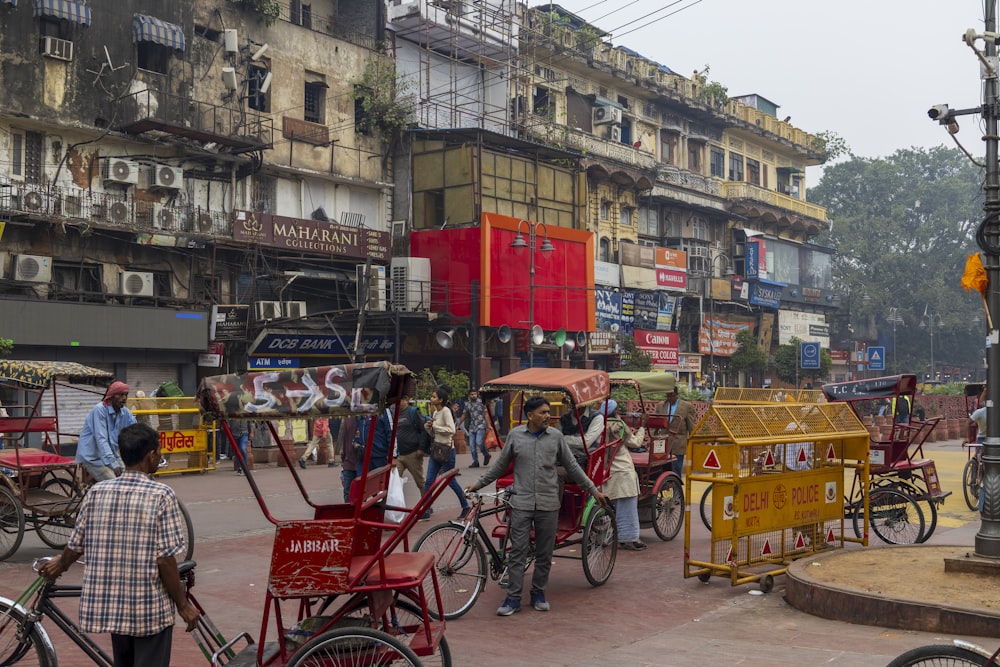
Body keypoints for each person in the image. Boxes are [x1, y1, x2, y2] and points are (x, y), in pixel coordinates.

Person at [40, 423, 200, 667]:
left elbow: (76, 544)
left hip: (114, 609)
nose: (159, 457)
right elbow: (166, 560)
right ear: (151, 456)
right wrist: (183, 605)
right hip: (148, 609)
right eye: (159, 452)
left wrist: (60, 564)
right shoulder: (161, 495)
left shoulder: (97, 492)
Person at [466, 396, 610, 616]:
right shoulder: (515, 436)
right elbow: (499, 467)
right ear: (530, 415)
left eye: (548, 412)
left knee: (544, 553)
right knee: (518, 553)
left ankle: (538, 593)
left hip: (549, 503)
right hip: (521, 503)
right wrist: (477, 484)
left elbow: (572, 467)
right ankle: (513, 598)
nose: (547, 417)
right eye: (543, 412)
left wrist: (593, 490)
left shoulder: (556, 437)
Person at [602, 399, 647, 551]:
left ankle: (614, 535)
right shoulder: (619, 426)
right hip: (623, 470)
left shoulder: (599, 425)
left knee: (611, 505)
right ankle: (631, 538)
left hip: (605, 471)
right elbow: (635, 443)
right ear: (616, 412)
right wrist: (642, 427)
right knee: (628, 506)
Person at [421, 385, 470, 521]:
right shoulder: (436, 413)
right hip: (436, 448)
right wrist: (428, 428)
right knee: (429, 481)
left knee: (450, 480)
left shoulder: (446, 411)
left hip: (447, 450)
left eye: (434, 397)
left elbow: (451, 430)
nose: (431, 399)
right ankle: (426, 509)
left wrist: (435, 426)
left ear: (441, 399)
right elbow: (435, 433)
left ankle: (466, 506)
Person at [76, 381, 137, 482]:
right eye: (120, 395)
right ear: (112, 396)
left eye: (126, 395)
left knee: (129, 478)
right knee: (116, 483)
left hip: (111, 453)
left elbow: (136, 430)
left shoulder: (124, 412)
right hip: (93, 457)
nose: (124, 398)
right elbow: (101, 439)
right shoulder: (100, 409)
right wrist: (113, 464)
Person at [657, 376, 697, 478]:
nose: (670, 398)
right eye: (668, 396)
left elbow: (691, 426)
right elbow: (656, 423)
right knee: (662, 468)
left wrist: (694, 441)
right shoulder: (661, 406)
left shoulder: (686, 407)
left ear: (677, 395)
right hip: (663, 442)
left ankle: (676, 489)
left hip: (678, 442)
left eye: (672, 396)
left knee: (676, 468)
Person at [394, 396, 427, 492]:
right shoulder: (394, 413)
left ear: (406, 400)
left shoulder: (413, 412)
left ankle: (427, 505)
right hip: (399, 455)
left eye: (400, 400)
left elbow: (423, 430)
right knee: (393, 481)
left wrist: (421, 448)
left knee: (420, 482)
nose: (397, 403)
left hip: (413, 453)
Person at [465, 389, 490, 468]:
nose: (473, 396)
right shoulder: (467, 404)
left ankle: (486, 454)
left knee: (479, 442)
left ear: (477, 394)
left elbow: (486, 414)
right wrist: (458, 425)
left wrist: (488, 424)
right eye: (472, 394)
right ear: (469, 395)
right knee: (472, 445)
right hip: (472, 426)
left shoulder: (481, 403)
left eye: (475, 394)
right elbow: (464, 415)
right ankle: (475, 461)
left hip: (481, 425)